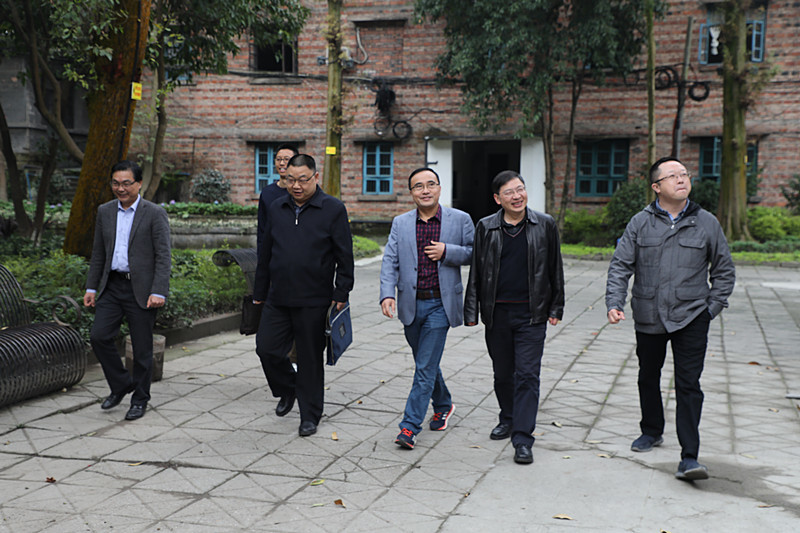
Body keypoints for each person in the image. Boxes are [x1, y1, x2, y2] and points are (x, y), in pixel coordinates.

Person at [605, 156, 735, 481]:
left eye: (684, 174)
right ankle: (651, 430)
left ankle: (689, 456)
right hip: (649, 314)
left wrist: (711, 309)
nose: (681, 179)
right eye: (673, 175)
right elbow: (621, 265)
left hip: (692, 316)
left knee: (688, 384)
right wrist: (614, 302)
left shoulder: (706, 222)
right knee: (648, 375)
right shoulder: (640, 222)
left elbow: (724, 269)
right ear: (656, 186)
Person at [464, 170, 564, 465]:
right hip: (497, 314)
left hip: (532, 315)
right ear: (498, 199)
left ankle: (522, 438)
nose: (517, 196)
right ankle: (507, 417)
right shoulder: (486, 227)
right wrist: (471, 310)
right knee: (503, 374)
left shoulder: (545, 224)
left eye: (520, 189)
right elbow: (476, 271)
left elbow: (555, 268)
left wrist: (556, 308)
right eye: (509, 192)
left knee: (528, 375)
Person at [253, 154, 354, 437]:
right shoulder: (277, 207)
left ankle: (310, 415)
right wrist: (259, 291)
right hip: (278, 297)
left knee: (310, 360)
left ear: (315, 177)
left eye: (302, 180)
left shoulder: (332, 209)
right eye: (290, 180)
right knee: (266, 349)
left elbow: (345, 255)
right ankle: (288, 388)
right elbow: (266, 252)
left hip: (314, 299)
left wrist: (342, 291)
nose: (296, 186)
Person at [379, 168, 474, 450]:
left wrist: (448, 252)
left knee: (423, 367)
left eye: (430, 184)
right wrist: (387, 294)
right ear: (411, 193)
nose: (425, 190)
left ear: (439, 188)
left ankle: (409, 427)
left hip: (441, 305)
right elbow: (390, 260)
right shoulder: (401, 223)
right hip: (410, 305)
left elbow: (475, 253)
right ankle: (443, 404)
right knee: (427, 363)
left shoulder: (460, 219)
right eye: (418, 186)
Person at [84, 160, 172, 421]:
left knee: (142, 349)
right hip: (112, 286)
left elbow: (163, 255)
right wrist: (91, 287)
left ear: (139, 184)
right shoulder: (105, 211)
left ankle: (140, 399)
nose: (120, 188)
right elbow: (98, 253)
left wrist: (159, 291)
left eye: (126, 183)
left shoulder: (154, 213)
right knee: (99, 336)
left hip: (142, 289)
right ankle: (121, 383)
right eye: (115, 183)